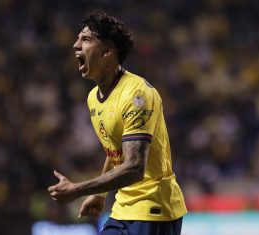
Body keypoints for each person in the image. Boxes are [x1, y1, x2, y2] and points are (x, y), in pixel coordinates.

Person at [48, 10, 187, 235]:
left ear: (108, 51)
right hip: (123, 209)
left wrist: (78, 190)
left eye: (85, 39)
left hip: (153, 210)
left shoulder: (137, 95)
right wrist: (100, 194)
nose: (75, 45)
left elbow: (133, 168)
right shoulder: (93, 98)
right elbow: (116, 150)